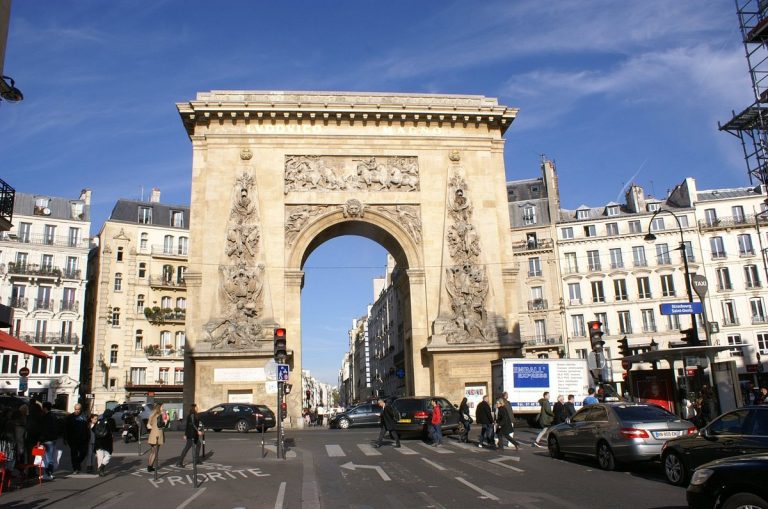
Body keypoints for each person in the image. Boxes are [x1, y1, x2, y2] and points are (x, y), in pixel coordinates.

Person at [64, 403, 90, 474]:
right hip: (72, 439)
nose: (77, 411)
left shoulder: (85, 416)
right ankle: (75, 468)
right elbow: (66, 429)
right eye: (75, 409)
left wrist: (88, 437)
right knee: (74, 454)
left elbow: (87, 428)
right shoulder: (70, 417)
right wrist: (65, 438)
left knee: (84, 453)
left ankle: (77, 462)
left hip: (83, 438)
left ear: (81, 409)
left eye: (78, 409)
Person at [147, 402, 169, 472]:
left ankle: (149, 466)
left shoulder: (152, 414)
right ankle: (150, 467)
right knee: (155, 452)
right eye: (162, 406)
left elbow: (149, 424)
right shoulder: (160, 415)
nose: (163, 408)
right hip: (158, 434)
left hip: (152, 434)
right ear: (159, 407)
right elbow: (162, 425)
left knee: (152, 452)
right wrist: (166, 419)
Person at [40, 402, 59, 480]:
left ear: (45, 408)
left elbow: (44, 429)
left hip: (47, 439)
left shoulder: (46, 417)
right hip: (53, 438)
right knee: (50, 456)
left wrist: (41, 439)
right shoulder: (53, 416)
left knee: (47, 457)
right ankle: (49, 473)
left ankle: (48, 473)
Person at [94, 410, 114, 476]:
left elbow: (94, 430)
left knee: (100, 457)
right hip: (106, 442)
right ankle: (101, 468)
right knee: (108, 455)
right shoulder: (111, 421)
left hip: (98, 441)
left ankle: (100, 471)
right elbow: (113, 429)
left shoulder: (99, 421)